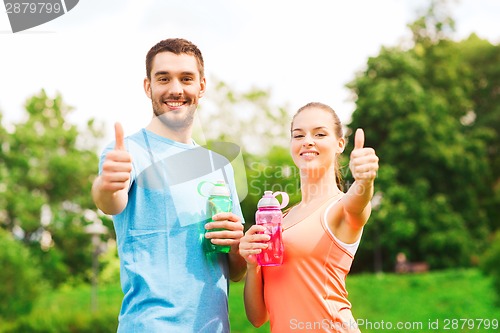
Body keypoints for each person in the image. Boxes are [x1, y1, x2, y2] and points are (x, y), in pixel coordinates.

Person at [91, 38, 246, 332]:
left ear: (201, 86)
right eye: (164, 78)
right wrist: (106, 183)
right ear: (148, 86)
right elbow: (111, 200)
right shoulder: (127, 153)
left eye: (186, 78)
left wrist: (237, 247)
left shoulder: (220, 167)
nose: (176, 89)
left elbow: (236, 272)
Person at [239, 102, 379, 332]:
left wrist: (365, 180)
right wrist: (251, 264)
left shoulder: (339, 208)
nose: (307, 141)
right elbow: (257, 317)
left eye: (320, 134)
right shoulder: (279, 220)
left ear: (340, 144)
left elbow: (359, 202)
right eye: (298, 135)